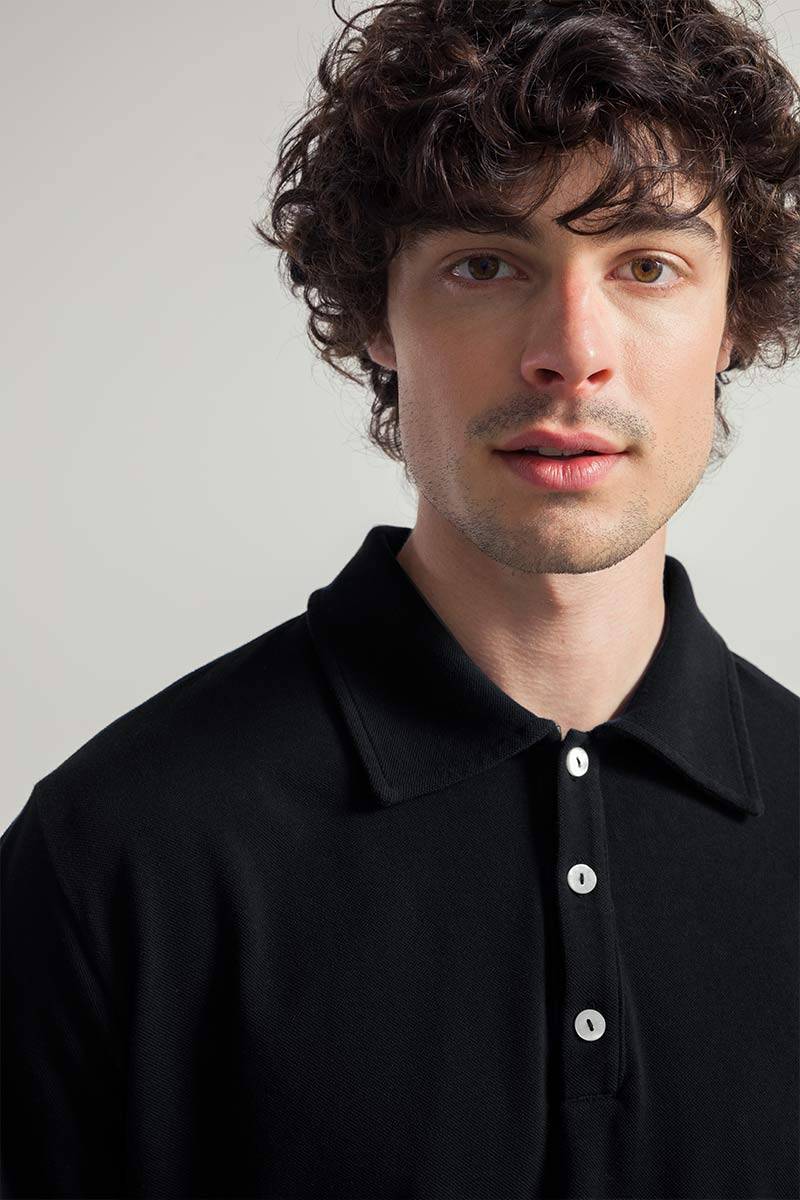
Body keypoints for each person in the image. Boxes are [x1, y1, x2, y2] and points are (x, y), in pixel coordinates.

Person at [3, 1, 798, 1197]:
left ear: (731, 317)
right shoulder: (114, 855)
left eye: (645, 265)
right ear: (377, 316)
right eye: (484, 264)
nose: (569, 350)